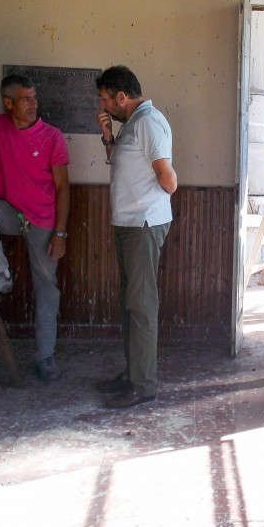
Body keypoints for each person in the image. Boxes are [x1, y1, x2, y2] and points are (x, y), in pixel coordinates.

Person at [0, 75, 70, 382]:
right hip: (7, 212)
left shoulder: (52, 136)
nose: (33, 104)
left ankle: (46, 356)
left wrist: (60, 233)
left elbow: (63, 187)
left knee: (46, 288)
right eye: (25, 99)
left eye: (34, 97)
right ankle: (0, 275)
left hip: (42, 219)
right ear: (8, 103)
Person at [93, 66, 178, 409]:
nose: (101, 104)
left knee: (141, 306)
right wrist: (109, 140)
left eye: (104, 98)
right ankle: (133, 374)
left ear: (121, 97)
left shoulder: (148, 122)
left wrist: (161, 193)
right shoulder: (132, 124)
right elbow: (130, 166)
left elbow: (167, 177)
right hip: (130, 224)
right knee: (130, 304)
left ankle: (143, 386)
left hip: (143, 225)